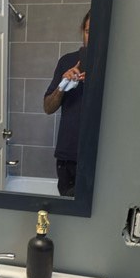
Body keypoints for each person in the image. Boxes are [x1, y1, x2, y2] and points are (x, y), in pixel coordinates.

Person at [43, 11, 89, 197]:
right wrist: (63, 85)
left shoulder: (115, 64)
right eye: (88, 31)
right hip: (68, 155)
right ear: (82, 32)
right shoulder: (67, 62)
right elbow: (48, 107)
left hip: (102, 158)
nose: (91, 36)